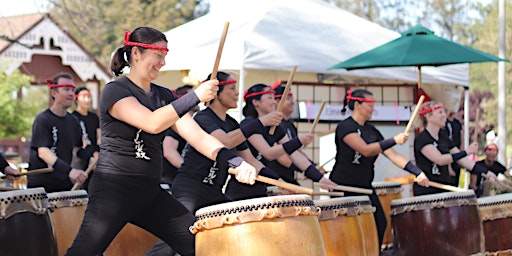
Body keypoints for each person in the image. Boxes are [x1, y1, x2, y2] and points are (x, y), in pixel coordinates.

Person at [65, 27, 258, 256]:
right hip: (113, 191)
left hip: (150, 193)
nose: (163, 62)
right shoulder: (115, 91)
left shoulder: (164, 95)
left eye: (165, 55)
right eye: (159, 54)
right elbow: (152, 122)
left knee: (198, 246)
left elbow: (198, 137)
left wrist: (235, 161)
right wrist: (195, 96)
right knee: (84, 253)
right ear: (136, 53)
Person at [329, 89, 429, 248]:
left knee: (379, 224)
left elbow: (393, 155)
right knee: (349, 230)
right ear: (357, 104)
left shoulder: (372, 131)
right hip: (343, 186)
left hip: (364, 187)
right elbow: (366, 149)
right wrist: (394, 139)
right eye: (370, 104)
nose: (373, 109)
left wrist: (418, 172)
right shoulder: (345, 127)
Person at [225, 83, 337, 200]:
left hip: (263, 187)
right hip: (241, 190)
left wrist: (320, 178)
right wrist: (298, 141)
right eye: (269, 98)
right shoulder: (248, 124)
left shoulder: (276, 127)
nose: (274, 102)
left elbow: (294, 154)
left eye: (274, 98)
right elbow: (268, 153)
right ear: (255, 102)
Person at [414, 101, 496, 197]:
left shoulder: (443, 137)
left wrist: (486, 173)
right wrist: (466, 151)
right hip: (426, 192)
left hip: (443, 189)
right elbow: (440, 159)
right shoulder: (422, 139)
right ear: (429, 117)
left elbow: (463, 160)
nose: (444, 115)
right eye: (440, 112)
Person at [27, 73, 90, 193]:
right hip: (41, 186)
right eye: (66, 89)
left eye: (72, 90)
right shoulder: (43, 120)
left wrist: (91, 159)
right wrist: (71, 171)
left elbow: (76, 149)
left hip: (62, 182)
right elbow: (44, 152)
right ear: (54, 93)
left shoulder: (73, 121)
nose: (71, 93)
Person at [160, 84, 198, 189]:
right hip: (168, 182)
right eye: (193, 96)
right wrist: (190, 171)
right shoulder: (176, 123)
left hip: (175, 182)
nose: (198, 99)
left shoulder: (186, 124)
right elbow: (169, 151)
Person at [71, 86, 100, 190]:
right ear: (76, 99)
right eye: (84, 97)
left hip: (96, 156)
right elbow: (82, 142)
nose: (87, 100)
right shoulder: (73, 117)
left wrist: (98, 153)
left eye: (89, 97)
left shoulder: (94, 117)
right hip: (80, 157)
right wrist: (93, 156)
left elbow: (99, 138)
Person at [445, 111, 463, 186]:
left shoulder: (457, 123)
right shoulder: (444, 124)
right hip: (448, 153)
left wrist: (462, 151)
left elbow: (461, 135)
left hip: (456, 151)